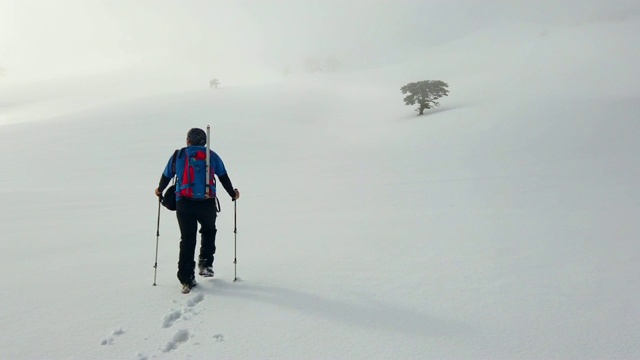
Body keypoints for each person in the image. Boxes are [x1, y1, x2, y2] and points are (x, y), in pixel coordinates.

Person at [155, 128, 240, 291]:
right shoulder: (212, 156)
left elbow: (166, 176)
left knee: (187, 239)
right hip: (207, 202)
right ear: (204, 141)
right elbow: (223, 177)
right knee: (209, 231)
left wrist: (159, 190)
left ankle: (186, 278)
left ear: (188, 140)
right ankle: (205, 264)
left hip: (184, 203)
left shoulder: (178, 155)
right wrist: (233, 193)